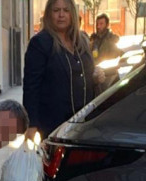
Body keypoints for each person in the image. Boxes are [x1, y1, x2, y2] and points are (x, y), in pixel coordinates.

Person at [23, 0, 104, 140]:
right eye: (56, 10)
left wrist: (96, 75)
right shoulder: (40, 42)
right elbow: (31, 86)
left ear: (72, 14)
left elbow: (87, 71)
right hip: (54, 125)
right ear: (49, 14)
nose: (61, 15)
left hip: (85, 123)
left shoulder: (82, 40)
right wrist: (31, 124)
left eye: (66, 10)